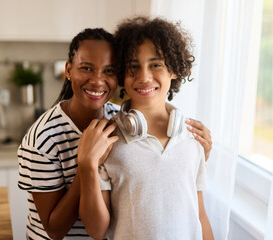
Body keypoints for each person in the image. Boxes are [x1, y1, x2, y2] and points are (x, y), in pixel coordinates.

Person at [18, 27, 212, 239]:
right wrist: (86, 165)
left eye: (109, 70)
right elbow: (55, 230)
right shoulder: (43, 139)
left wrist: (194, 156)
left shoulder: (119, 120)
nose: (98, 81)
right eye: (86, 68)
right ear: (68, 70)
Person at [79, 17, 214, 240]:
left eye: (156, 64)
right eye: (133, 67)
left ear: (174, 69)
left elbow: (199, 216)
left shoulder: (193, 137)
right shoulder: (107, 139)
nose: (144, 76)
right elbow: (96, 230)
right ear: (122, 73)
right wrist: (88, 166)